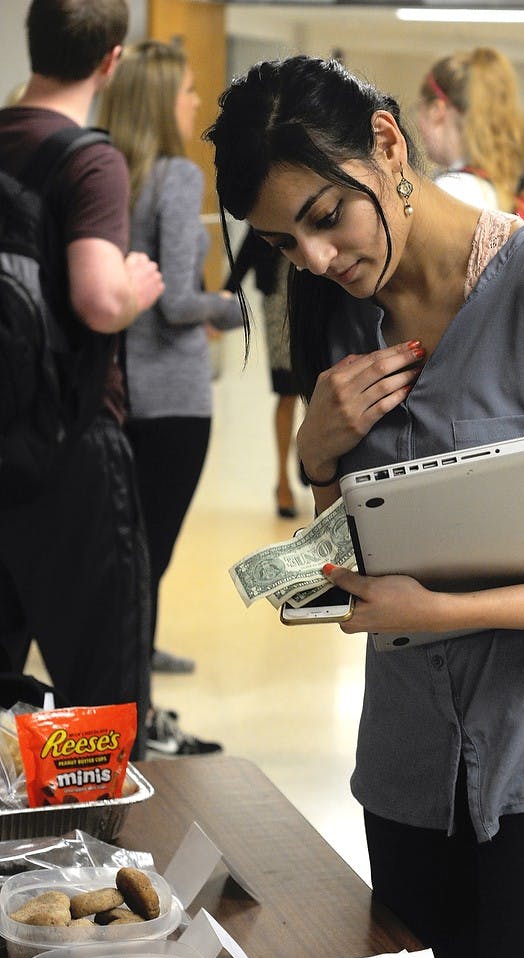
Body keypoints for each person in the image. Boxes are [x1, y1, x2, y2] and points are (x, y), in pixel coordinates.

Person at [206, 55, 524, 958]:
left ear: (387, 142)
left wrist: (451, 609)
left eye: (326, 219)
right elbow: (361, 536)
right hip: (411, 768)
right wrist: (316, 457)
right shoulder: (341, 312)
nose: (318, 261)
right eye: (287, 245)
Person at [0, 0, 164, 758]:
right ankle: (88, 857)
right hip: (67, 454)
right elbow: (99, 300)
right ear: (111, 60)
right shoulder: (86, 157)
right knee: (101, 691)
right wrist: (136, 284)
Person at [97, 40, 242, 687]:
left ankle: (132, 659)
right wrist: (235, 305)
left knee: (124, 543)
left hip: (115, 390)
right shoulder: (178, 177)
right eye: (186, 92)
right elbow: (179, 301)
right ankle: (134, 692)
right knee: (151, 549)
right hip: (173, 396)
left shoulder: (103, 175)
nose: (194, 104)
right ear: (162, 101)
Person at [225, 228, 302, 518]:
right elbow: (252, 239)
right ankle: (282, 482)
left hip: (318, 295)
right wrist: (227, 290)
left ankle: (309, 458)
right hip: (278, 298)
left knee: (317, 389)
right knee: (287, 391)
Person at [414, 47, 524, 211]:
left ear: (436, 110)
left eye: (419, 108)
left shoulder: (452, 192)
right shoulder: (519, 189)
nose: (418, 123)